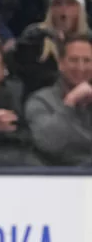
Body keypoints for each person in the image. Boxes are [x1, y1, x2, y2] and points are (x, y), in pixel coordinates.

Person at [25, 33, 92, 165]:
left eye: (87, 60)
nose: (81, 67)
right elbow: (49, 143)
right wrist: (70, 102)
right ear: (61, 64)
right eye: (73, 60)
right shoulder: (40, 100)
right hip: (60, 177)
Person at [13, 0, 90, 100]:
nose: (64, 10)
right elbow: (29, 72)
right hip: (42, 100)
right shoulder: (35, 36)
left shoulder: (89, 41)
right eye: (58, 4)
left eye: (70, 4)